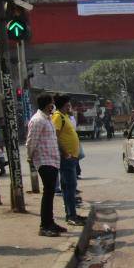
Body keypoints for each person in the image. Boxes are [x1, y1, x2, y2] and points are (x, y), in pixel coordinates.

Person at [26, 94, 66, 237]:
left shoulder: (47, 119)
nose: (53, 106)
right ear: (47, 104)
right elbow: (31, 141)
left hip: (52, 160)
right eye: (52, 104)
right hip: (44, 160)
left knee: (50, 193)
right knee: (48, 193)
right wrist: (29, 156)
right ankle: (44, 226)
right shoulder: (37, 121)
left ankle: (50, 222)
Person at [52, 95, 86, 226]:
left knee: (70, 187)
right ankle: (71, 216)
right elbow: (55, 137)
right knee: (69, 187)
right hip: (67, 158)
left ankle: (72, 214)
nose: (69, 107)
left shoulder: (64, 116)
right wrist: (64, 152)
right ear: (63, 105)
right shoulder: (58, 116)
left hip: (72, 157)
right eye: (67, 105)